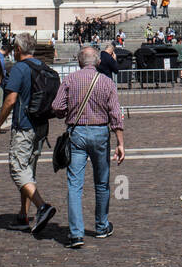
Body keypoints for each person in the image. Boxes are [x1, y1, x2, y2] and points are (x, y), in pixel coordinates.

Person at [50, 45, 126, 249]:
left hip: (77, 133)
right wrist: (120, 142)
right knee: (102, 182)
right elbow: (115, 115)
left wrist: (68, 112)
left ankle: (76, 234)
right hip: (100, 132)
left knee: (75, 185)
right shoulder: (107, 82)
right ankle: (101, 226)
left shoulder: (69, 79)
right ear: (99, 62)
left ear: (79, 62)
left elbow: (57, 107)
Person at [0, 32, 56, 236]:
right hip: (41, 126)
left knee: (18, 169)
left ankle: (42, 206)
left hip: (25, 126)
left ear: (18, 50)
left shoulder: (20, 68)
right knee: (28, 171)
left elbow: (10, 101)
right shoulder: (42, 66)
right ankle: (23, 216)